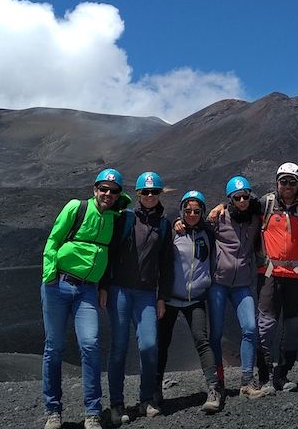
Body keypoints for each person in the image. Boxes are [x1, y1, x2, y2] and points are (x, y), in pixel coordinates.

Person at [41, 168, 131, 429]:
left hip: (87, 290)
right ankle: (53, 410)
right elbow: (54, 240)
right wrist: (49, 276)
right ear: (95, 189)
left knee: (90, 345)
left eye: (114, 191)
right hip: (58, 284)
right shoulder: (76, 207)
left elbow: (110, 255)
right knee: (54, 347)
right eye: (103, 188)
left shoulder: (116, 218)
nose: (108, 194)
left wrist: (102, 285)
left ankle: (92, 412)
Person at [101, 171, 173, 425]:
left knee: (149, 345)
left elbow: (166, 263)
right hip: (120, 290)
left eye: (154, 192)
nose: (150, 196)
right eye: (145, 192)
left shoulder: (164, 225)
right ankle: (117, 404)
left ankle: (146, 399)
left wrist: (162, 297)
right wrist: (104, 286)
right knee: (119, 348)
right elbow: (108, 252)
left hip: (146, 294)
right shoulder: (125, 219)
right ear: (138, 194)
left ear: (160, 194)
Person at [156, 191, 220, 413]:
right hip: (171, 299)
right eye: (188, 210)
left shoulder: (208, 232)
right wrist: (161, 296)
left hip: (196, 299)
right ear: (182, 210)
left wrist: (219, 206)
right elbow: (163, 265)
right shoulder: (173, 232)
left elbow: (230, 207)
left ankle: (213, 389)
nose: (192, 214)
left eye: (196, 211)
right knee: (161, 344)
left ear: (202, 212)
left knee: (202, 341)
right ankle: (155, 392)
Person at [207, 176, 267, 398]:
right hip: (218, 283)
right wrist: (179, 222)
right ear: (230, 199)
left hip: (242, 283)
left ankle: (247, 380)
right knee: (216, 333)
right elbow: (197, 225)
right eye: (237, 197)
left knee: (250, 329)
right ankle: (217, 381)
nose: (242, 201)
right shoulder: (219, 217)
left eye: (245, 196)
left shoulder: (254, 217)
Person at [255, 162, 298, 393]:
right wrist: (219, 207)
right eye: (283, 181)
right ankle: (265, 376)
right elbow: (239, 211)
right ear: (277, 182)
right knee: (266, 325)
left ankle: (282, 374)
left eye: (292, 182)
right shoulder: (265, 204)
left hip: (296, 274)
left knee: (293, 325)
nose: (287, 186)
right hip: (269, 274)